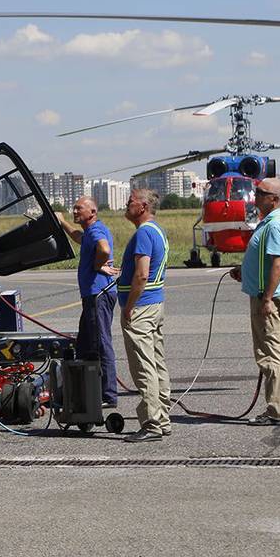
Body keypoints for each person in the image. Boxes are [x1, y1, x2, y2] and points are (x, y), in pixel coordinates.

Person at [228, 177, 280, 426]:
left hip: (269, 297)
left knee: (270, 355)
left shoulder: (276, 225)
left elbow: (278, 264)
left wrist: (266, 297)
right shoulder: (270, 222)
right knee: (279, 351)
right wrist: (244, 270)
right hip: (271, 293)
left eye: (260, 193)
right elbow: (265, 260)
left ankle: (276, 410)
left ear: (275, 199)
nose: (255, 196)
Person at [117, 189, 171, 442]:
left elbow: (141, 274)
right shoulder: (157, 231)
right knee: (157, 363)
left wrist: (128, 307)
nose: (127, 206)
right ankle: (163, 419)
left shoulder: (143, 234)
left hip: (141, 308)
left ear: (144, 206)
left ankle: (152, 424)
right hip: (155, 306)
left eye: (131, 203)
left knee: (143, 366)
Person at [54, 197, 119, 407]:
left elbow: (104, 249)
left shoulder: (96, 231)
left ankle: (108, 396)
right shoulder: (91, 231)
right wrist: (62, 222)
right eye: (74, 208)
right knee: (84, 344)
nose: (75, 211)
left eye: (79, 208)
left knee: (101, 343)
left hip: (98, 295)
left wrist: (99, 266)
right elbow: (79, 236)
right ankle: (85, 390)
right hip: (92, 295)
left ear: (92, 211)